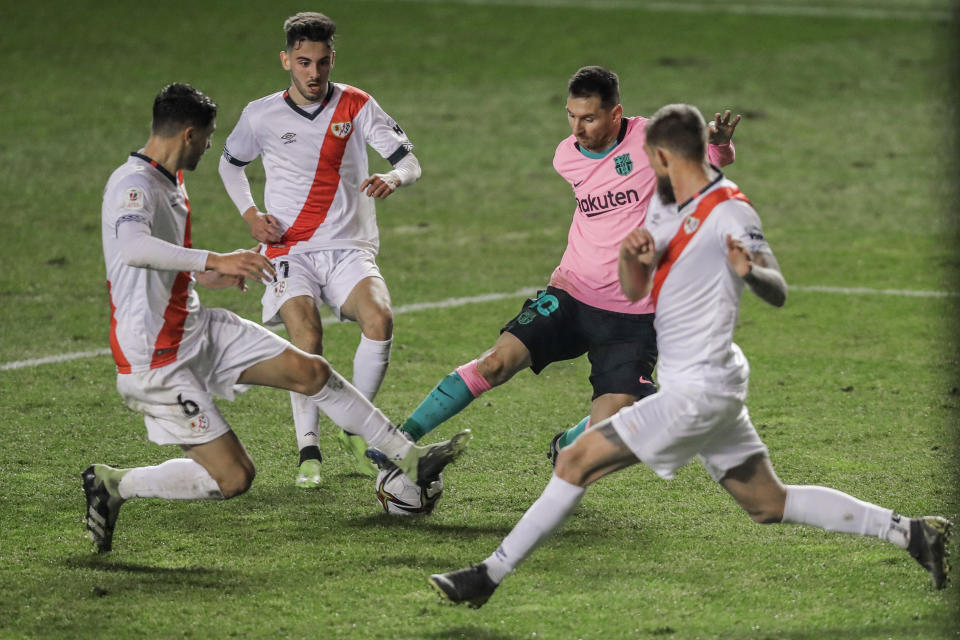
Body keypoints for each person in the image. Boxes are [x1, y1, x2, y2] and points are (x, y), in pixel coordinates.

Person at [427, 103, 951, 607]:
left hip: (699, 390)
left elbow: (778, 287)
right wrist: (633, 263)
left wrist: (752, 273)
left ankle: (488, 575)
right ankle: (910, 533)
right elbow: (636, 290)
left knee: (575, 459)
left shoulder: (730, 210)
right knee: (768, 503)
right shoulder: (665, 202)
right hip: (704, 384)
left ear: (662, 155)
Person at [84, 83, 468, 554]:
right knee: (234, 477)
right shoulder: (134, 185)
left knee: (312, 371)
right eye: (207, 137)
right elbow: (132, 248)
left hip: (197, 328)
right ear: (188, 134)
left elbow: (157, 260)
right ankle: (115, 485)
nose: (210, 146)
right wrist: (216, 260)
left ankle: (408, 458)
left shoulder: (168, 180)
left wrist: (203, 276)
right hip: (156, 357)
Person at [393, 66, 739, 458]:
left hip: (634, 316)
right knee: (495, 363)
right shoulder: (566, 157)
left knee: (617, 417)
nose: (578, 128)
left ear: (615, 113)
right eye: (571, 116)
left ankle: (566, 447)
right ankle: (396, 439)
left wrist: (721, 144)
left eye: (589, 118)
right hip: (571, 294)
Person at [218, 12, 422, 486]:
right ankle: (308, 449)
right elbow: (231, 166)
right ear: (286, 59)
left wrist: (392, 177)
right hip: (291, 250)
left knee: (380, 318)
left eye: (323, 63)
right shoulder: (260, 114)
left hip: (349, 245)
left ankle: (357, 429)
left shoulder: (356, 104)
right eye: (304, 62)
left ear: (334, 59)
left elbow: (408, 160)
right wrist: (251, 216)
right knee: (307, 338)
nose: (314, 74)